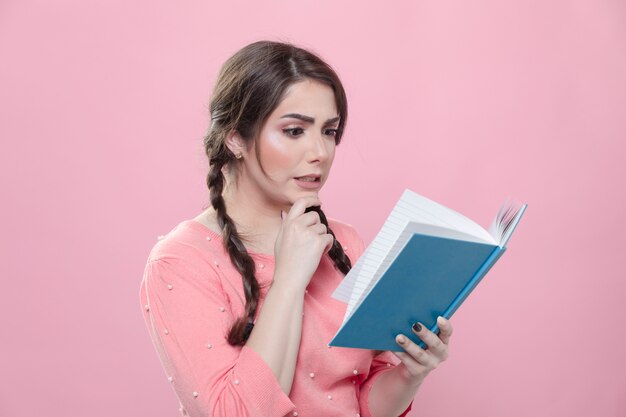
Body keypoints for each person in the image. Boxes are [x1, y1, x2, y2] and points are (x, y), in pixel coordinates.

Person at [139, 40, 453, 417]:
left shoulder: (343, 242)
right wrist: (289, 279)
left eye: (329, 131)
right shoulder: (181, 262)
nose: (320, 152)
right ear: (235, 136)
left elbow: (360, 402)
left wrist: (410, 374)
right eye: (294, 131)